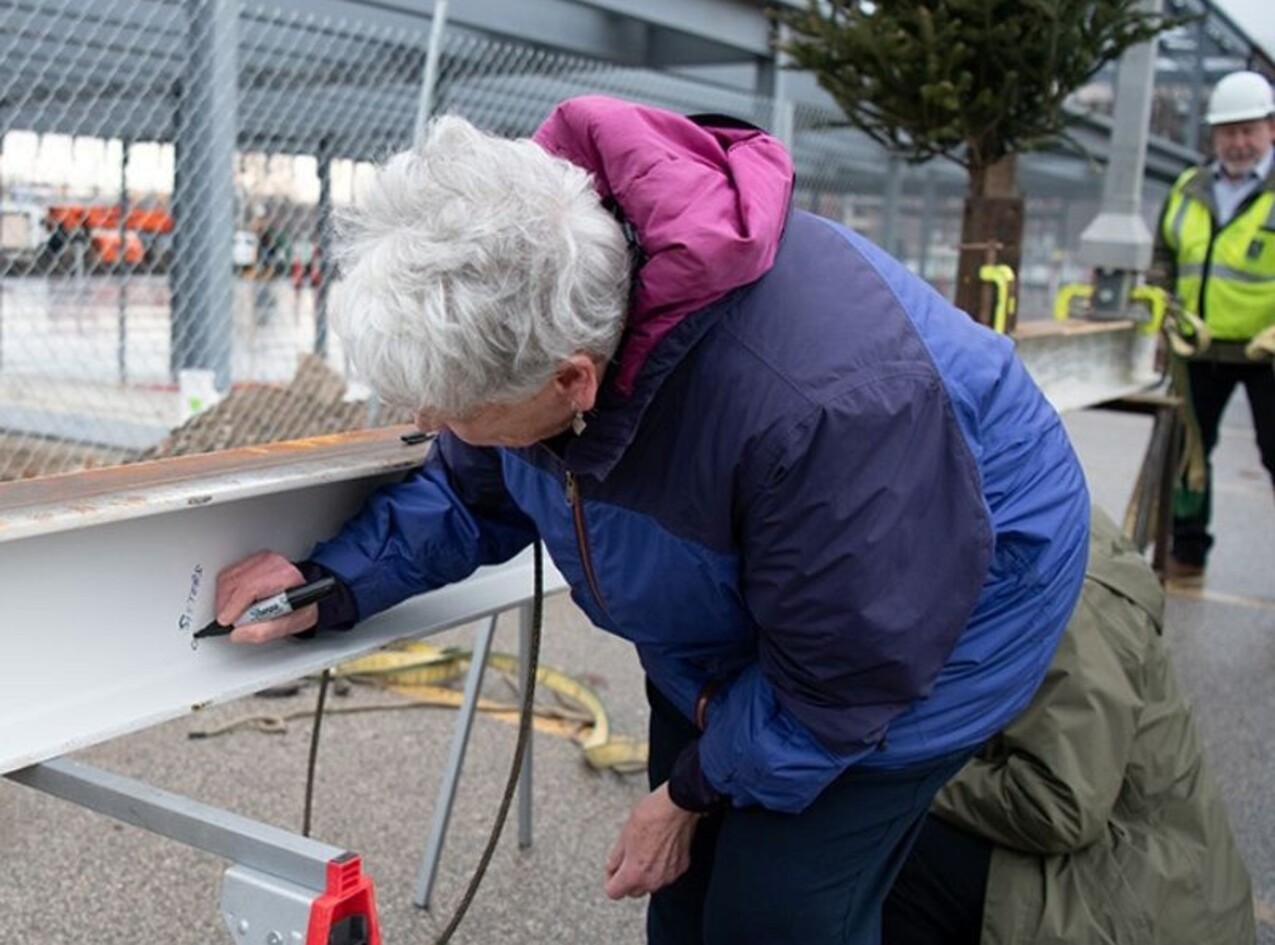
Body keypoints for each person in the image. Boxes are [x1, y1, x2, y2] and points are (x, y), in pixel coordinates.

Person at [213, 96, 1090, 944]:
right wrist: (331, 584)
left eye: (456, 410)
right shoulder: (535, 307)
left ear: (573, 383)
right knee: (684, 891)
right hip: (760, 602)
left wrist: (685, 793)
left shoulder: (818, 406)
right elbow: (473, 489)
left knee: (776, 916)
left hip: (932, 625)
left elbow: (845, 673)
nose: (438, 428)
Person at [882, 508, 1255, 945]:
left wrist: (905, 777)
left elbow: (1058, 804)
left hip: (1143, 897)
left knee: (894, 848)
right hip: (1111, 860)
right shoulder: (1013, 519)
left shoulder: (1065, 582)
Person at [1151, 69, 1275, 582]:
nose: (1239, 142)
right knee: (1187, 457)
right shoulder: (1189, 187)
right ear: (1214, 135)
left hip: (1266, 351)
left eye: (1249, 130)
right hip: (1197, 348)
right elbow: (1165, 256)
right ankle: (1187, 551)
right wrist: (1163, 316)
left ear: (1271, 128)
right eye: (1229, 131)